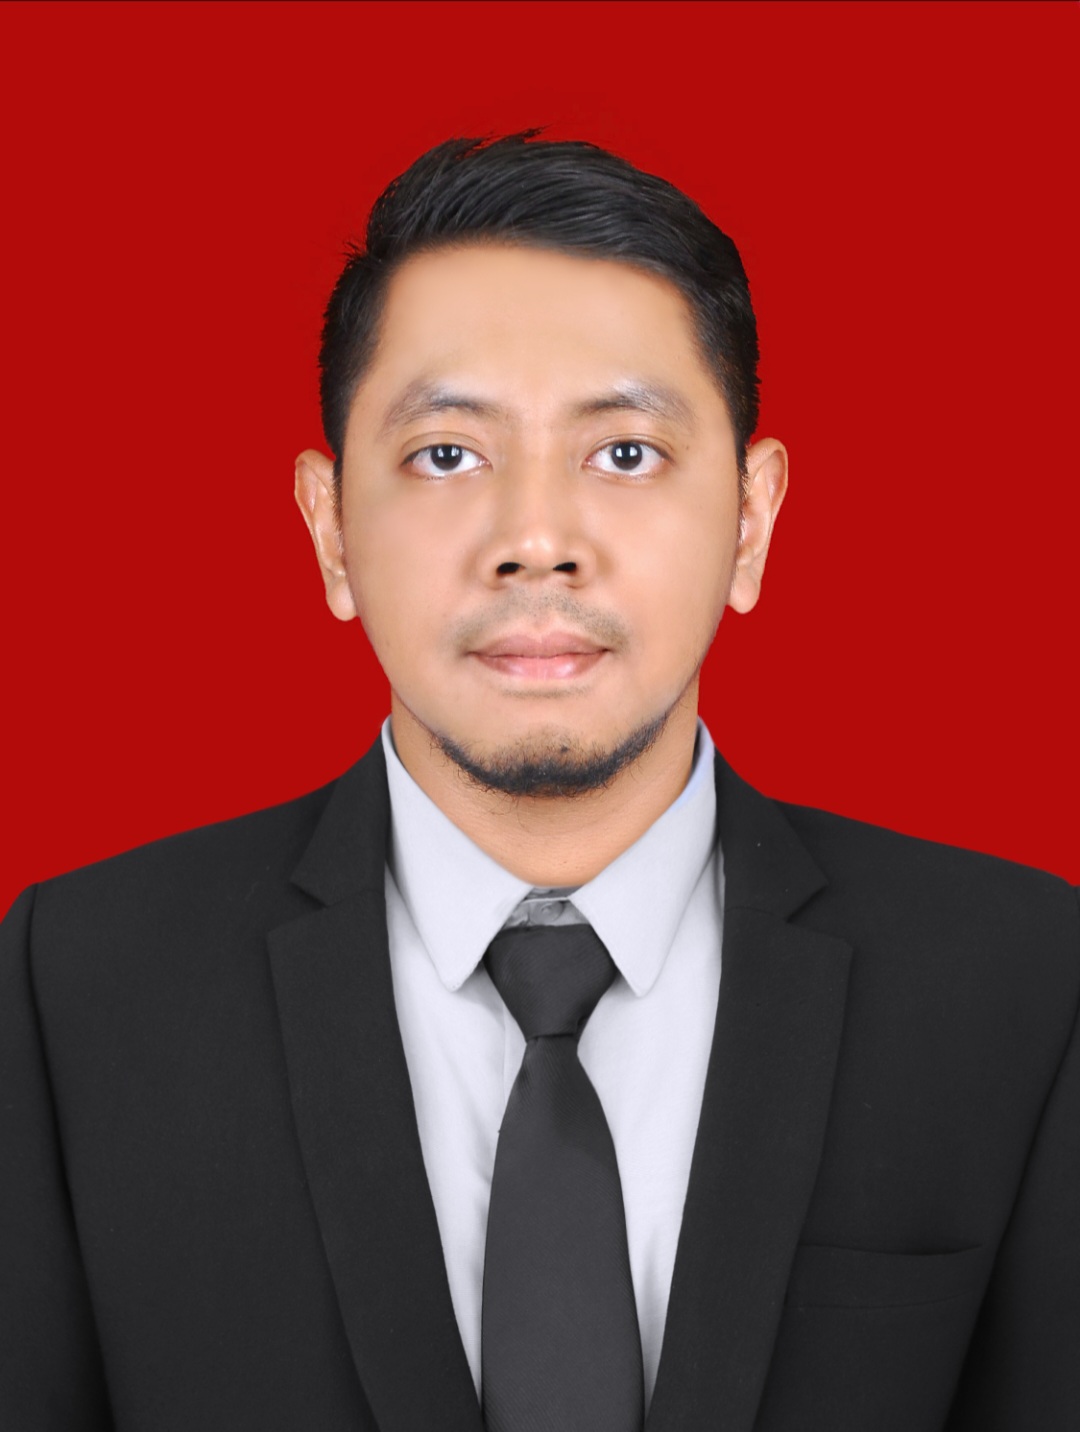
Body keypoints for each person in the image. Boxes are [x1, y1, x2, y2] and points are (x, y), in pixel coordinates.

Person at [1, 130, 1076, 1432]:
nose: (535, 541)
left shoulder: (1025, 983)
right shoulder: (78, 987)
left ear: (752, 519)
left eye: (623, 452)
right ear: (330, 530)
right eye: (447, 454)